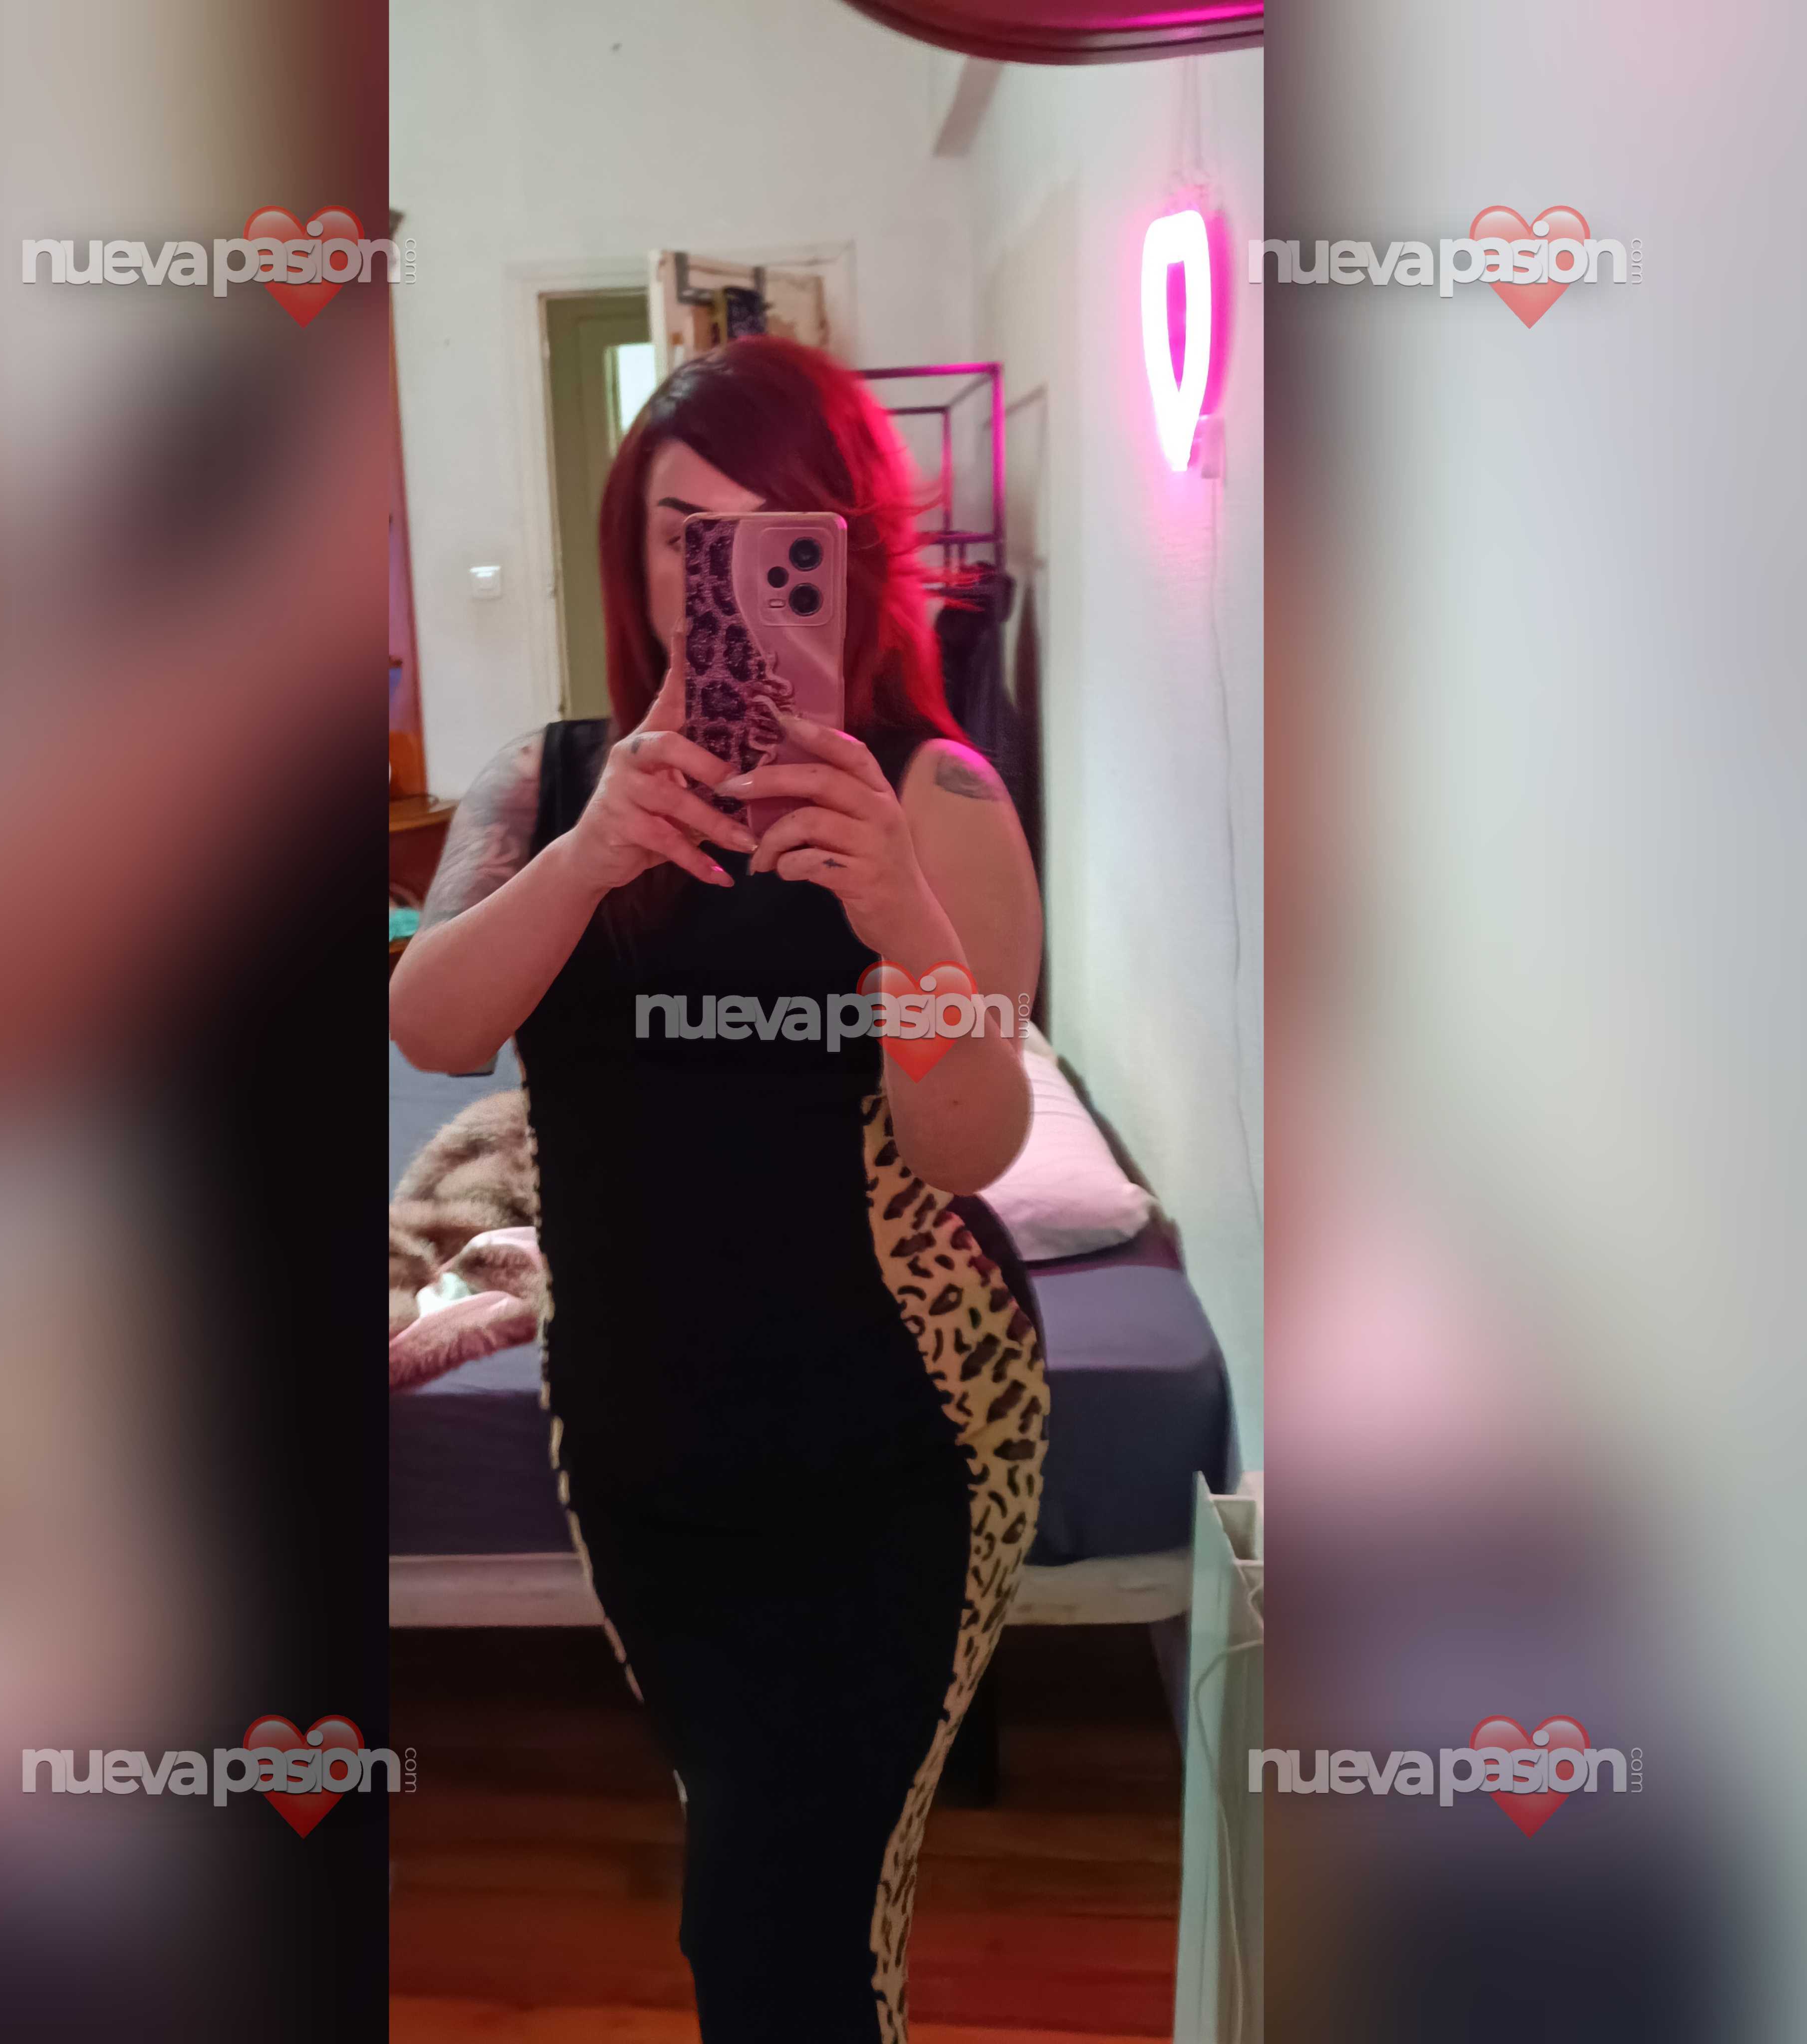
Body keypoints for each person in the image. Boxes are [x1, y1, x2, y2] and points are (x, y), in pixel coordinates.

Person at [389, 335, 1046, 2043]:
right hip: (633, 1448)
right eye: (692, 534)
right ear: (638, 556)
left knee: (783, 1944)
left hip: (897, 1445)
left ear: (846, 558)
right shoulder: (545, 782)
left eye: (778, 538)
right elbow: (434, 1028)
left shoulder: (937, 795)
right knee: (757, 1894)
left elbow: (970, 1145)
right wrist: (590, 856)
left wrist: (902, 917)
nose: (731, 581)